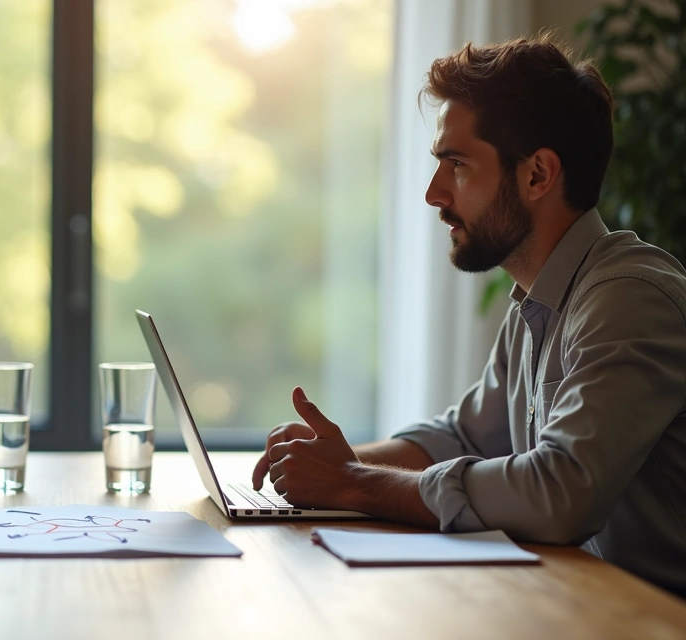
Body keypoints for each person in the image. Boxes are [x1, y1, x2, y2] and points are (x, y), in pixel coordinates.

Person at [252, 34, 686, 597]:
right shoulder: (539, 302)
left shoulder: (628, 298)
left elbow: (560, 494)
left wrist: (353, 484)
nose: (434, 194)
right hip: (587, 606)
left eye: (456, 164)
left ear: (537, 175)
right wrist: (325, 463)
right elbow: (464, 437)